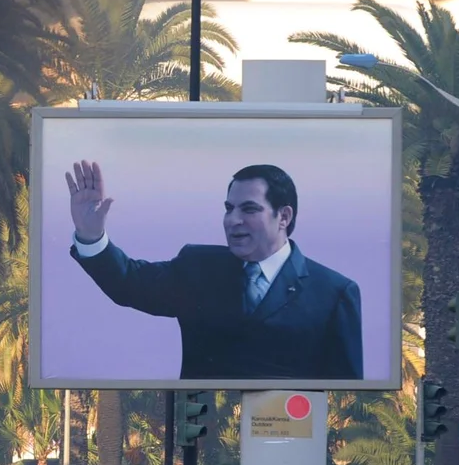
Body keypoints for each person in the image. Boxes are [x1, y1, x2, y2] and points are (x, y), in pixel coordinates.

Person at [67, 161, 363, 380]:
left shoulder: (333, 293)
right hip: (201, 450)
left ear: (283, 216)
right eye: (228, 208)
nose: (233, 220)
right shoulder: (199, 268)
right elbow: (129, 283)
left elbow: (347, 393)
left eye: (248, 209)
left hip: (290, 442)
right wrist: (91, 236)